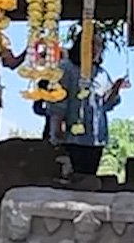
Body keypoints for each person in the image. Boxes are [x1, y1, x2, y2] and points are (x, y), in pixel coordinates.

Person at [41, 29, 126, 176]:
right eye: (92, 44)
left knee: (88, 180)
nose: (95, 49)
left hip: (94, 139)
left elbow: (106, 105)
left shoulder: (101, 73)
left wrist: (115, 89)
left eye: (99, 45)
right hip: (69, 138)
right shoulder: (65, 68)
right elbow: (57, 102)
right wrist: (56, 129)